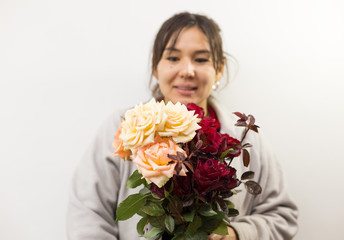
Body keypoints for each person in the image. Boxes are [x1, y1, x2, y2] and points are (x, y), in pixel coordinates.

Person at [66, 12, 298, 240]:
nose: (187, 71)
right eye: (173, 58)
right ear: (155, 67)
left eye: (201, 59)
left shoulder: (245, 140)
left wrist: (239, 233)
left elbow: (282, 216)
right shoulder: (122, 128)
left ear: (219, 68)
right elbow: (87, 218)